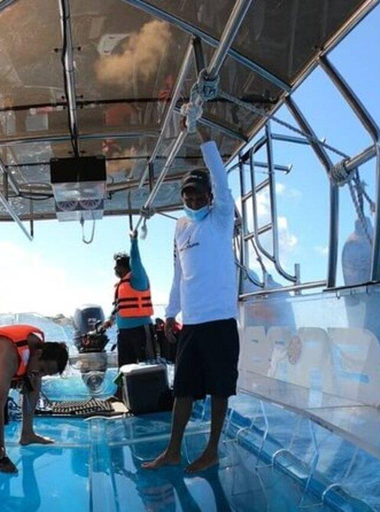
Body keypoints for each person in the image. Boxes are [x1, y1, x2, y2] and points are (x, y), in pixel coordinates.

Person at [143, 135, 239, 474]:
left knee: (219, 389)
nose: (193, 200)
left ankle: (211, 449)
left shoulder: (221, 218)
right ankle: (172, 450)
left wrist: (206, 142)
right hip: (192, 323)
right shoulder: (180, 228)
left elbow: (222, 179)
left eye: (199, 195)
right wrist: (170, 313)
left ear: (210, 197)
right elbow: (178, 273)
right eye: (188, 195)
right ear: (182, 198)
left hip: (220, 320)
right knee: (182, 389)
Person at [0, 324, 69, 473]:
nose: (41, 374)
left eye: (46, 374)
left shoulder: (36, 351)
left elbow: (33, 372)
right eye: (43, 369)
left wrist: (30, 377)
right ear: (38, 353)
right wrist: (1, 449)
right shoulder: (9, 353)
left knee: (34, 380)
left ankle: (27, 433)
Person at [101, 230, 156, 384]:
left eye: (116, 266)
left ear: (126, 267)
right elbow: (117, 308)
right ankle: (122, 396)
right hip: (124, 332)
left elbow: (136, 260)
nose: (114, 270)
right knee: (123, 366)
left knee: (147, 365)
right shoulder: (120, 286)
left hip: (141, 330)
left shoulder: (138, 278)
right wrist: (109, 321)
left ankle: (150, 397)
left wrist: (134, 241)